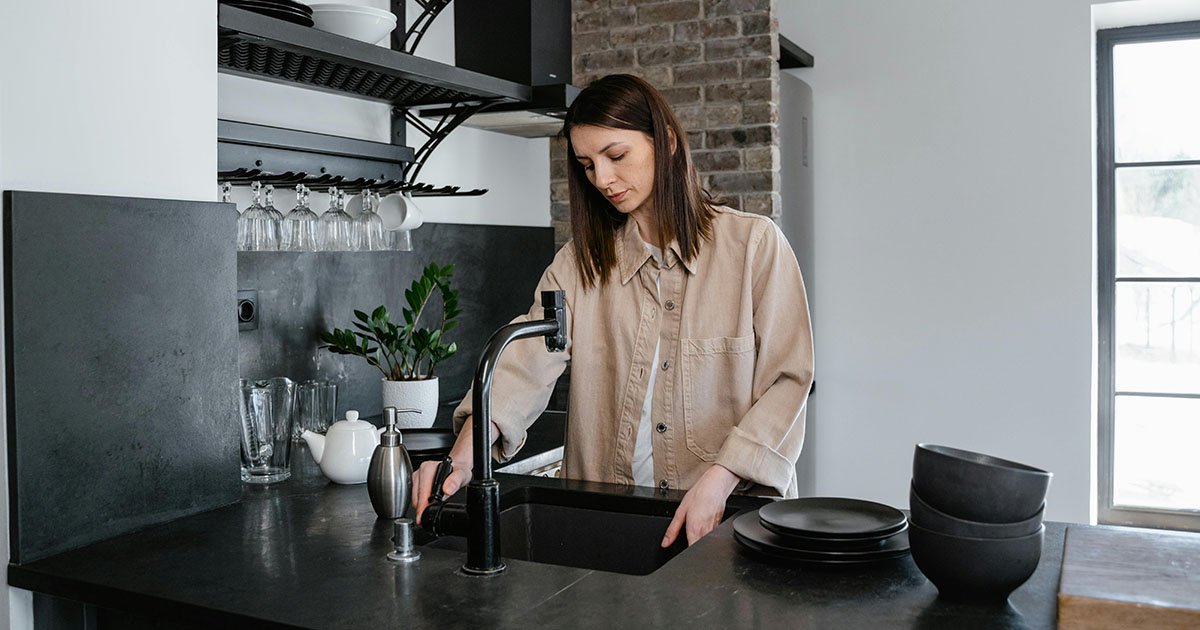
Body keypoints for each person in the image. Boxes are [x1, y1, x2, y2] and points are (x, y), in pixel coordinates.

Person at [413, 74, 814, 547]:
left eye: (616, 156)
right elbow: (521, 367)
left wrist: (720, 477)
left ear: (664, 141)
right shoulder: (577, 266)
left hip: (728, 520)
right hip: (609, 524)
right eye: (586, 164)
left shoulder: (753, 246)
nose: (602, 179)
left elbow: (787, 382)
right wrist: (463, 456)